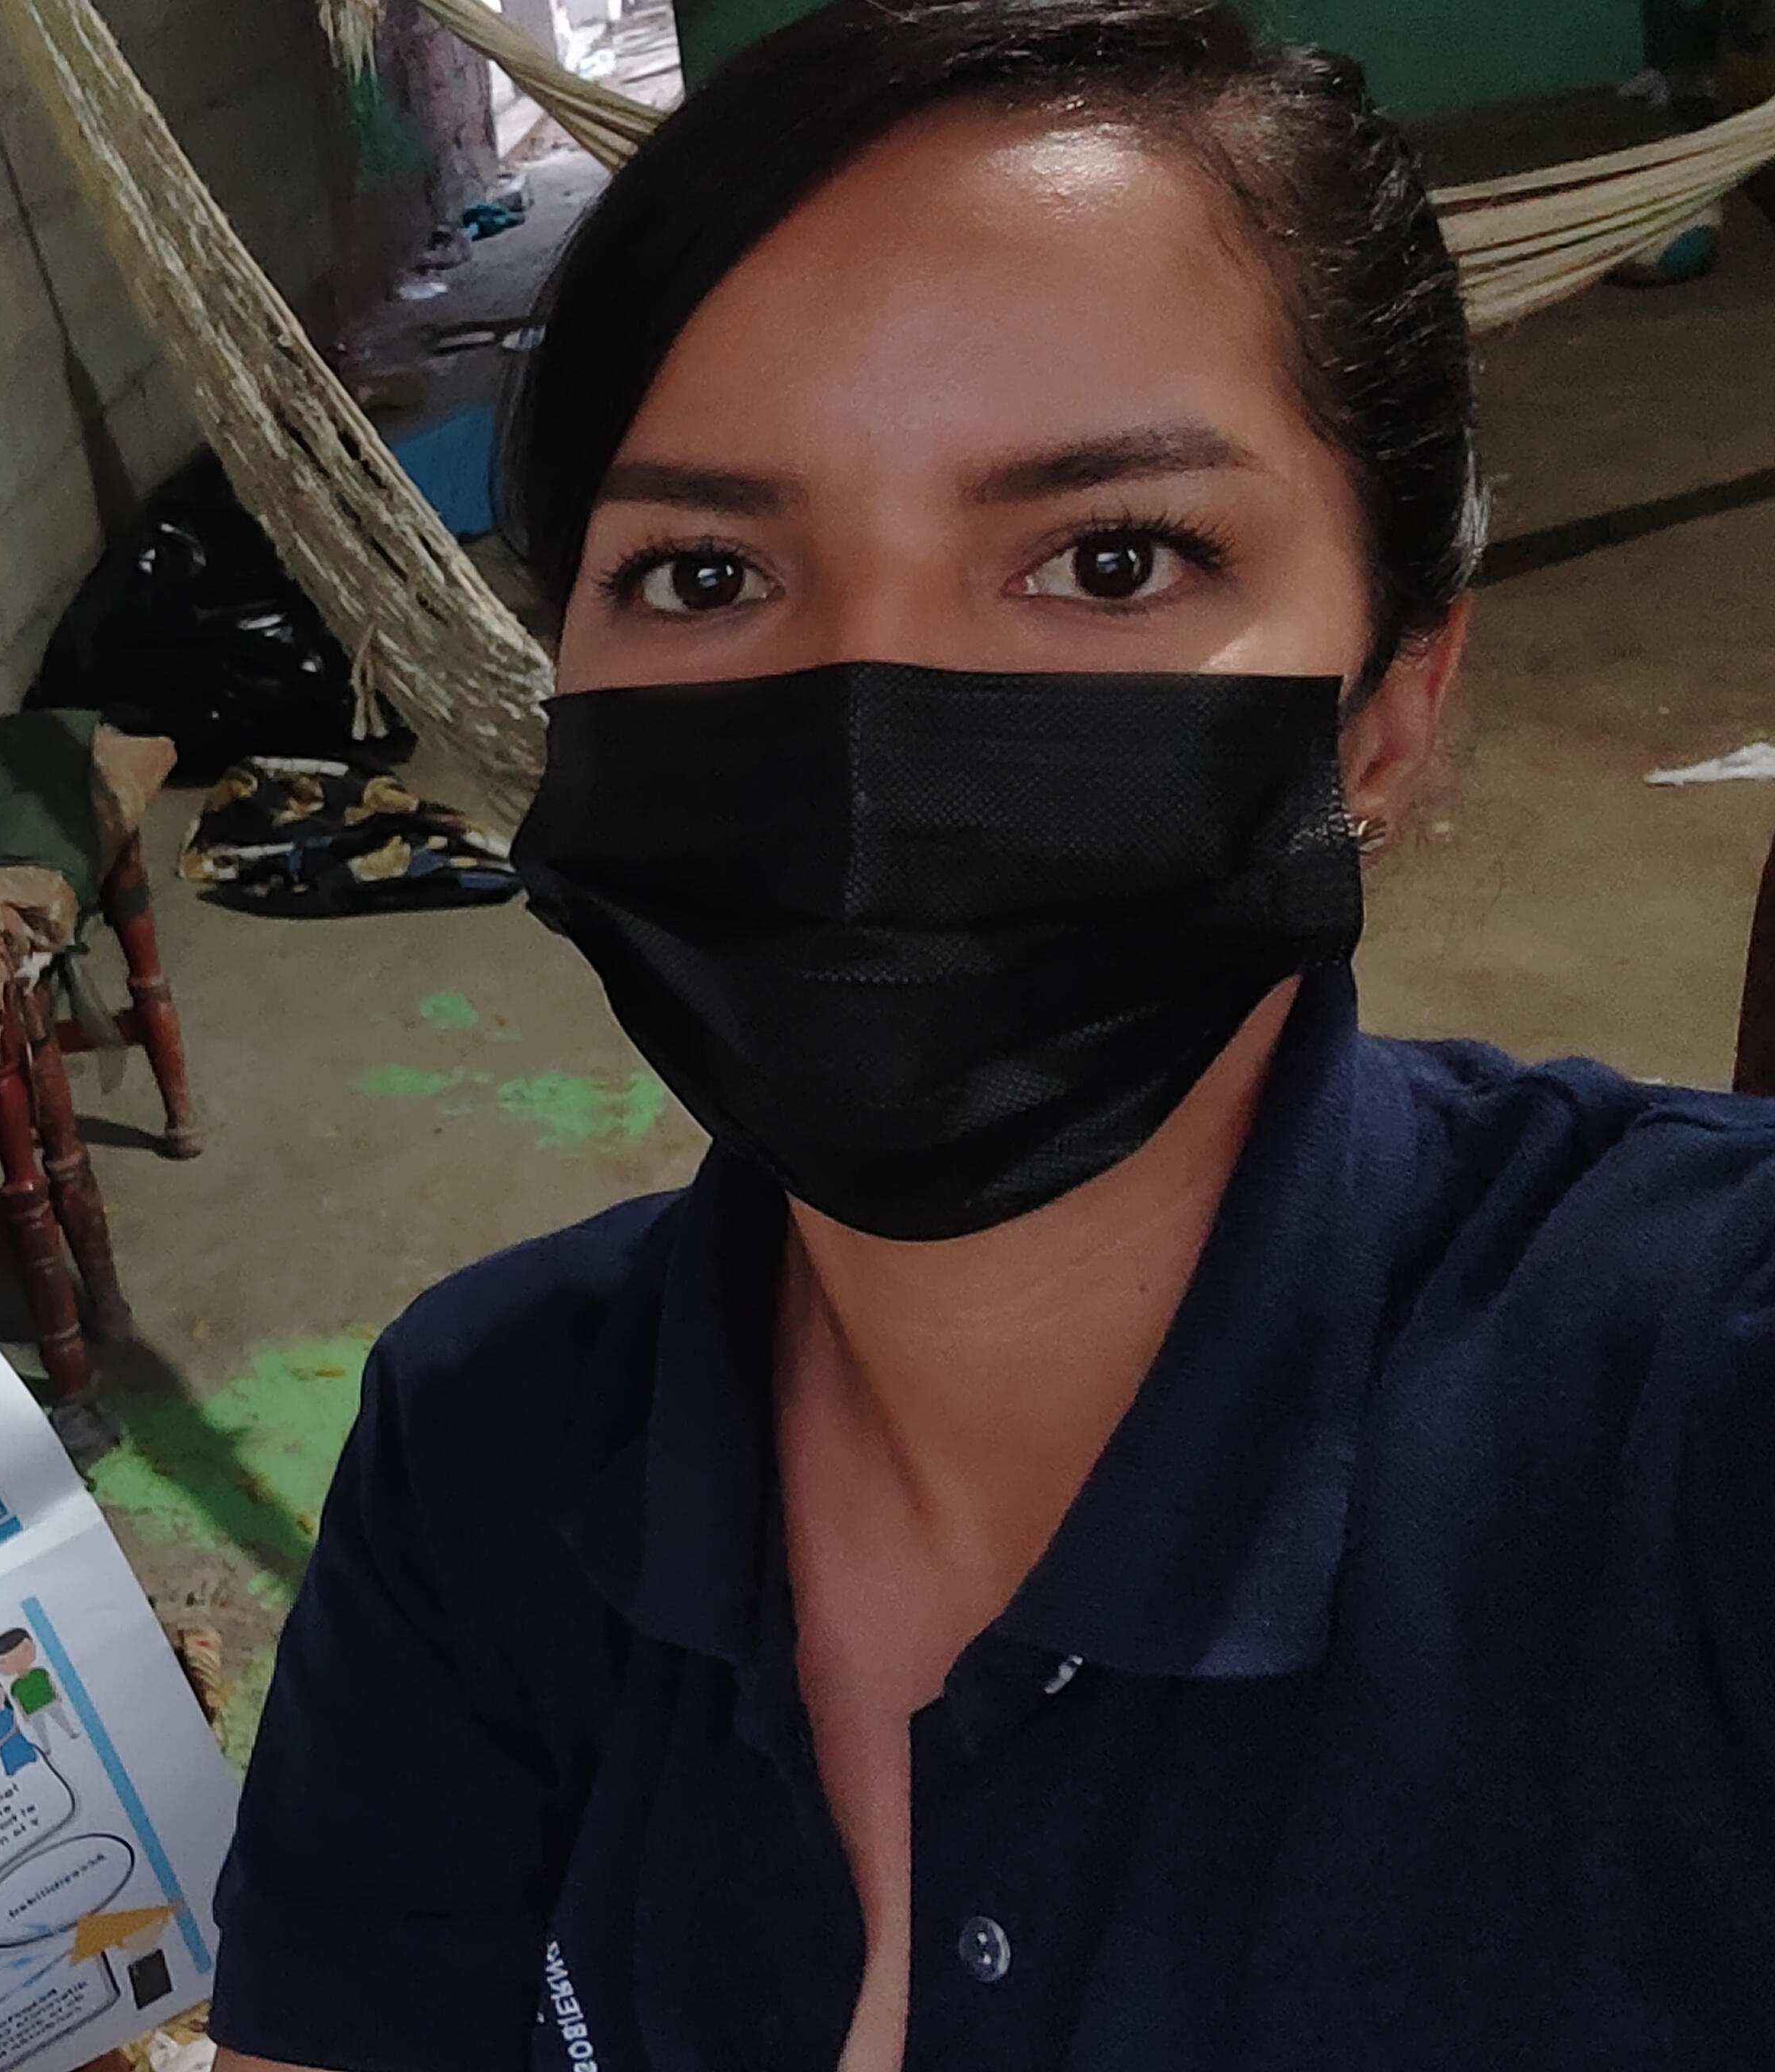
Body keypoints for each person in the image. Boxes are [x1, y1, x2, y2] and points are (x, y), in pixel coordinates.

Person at [209, 4, 1775, 2069]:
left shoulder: (1694, 1407)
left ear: (1391, 709)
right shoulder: (486, 1439)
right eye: (704, 571)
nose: (873, 744)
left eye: (1108, 561)